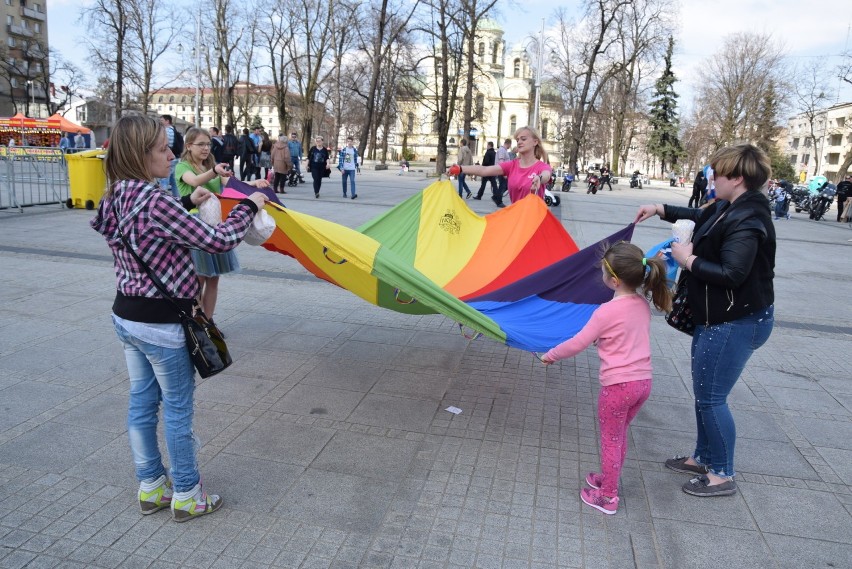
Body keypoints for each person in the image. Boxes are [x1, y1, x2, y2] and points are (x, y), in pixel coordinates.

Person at [90, 114, 267, 522]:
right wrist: (249, 205)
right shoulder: (151, 200)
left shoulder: (117, 193)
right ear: (139, 154)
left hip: (127, 317)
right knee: (177, 410)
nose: (170, 155)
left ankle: (151, 486)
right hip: (164, 326)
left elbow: (147, 225)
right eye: (160, 149)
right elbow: (221, 239)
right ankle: (187, 493)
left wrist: (188, 201)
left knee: (141, 403)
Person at [633, 142, 775, 498]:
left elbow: (733, 273)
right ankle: (703, 457)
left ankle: (722, 474)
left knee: (712, 398)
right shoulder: (730, 206)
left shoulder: (749, 219)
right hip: (719, 317)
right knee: (704, 395)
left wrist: (687, 260)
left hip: (735, 321)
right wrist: (659, 208)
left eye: (718, 173)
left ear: (737, 179)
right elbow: (700, 216)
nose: (711, 178)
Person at [541, 242, 672, 514]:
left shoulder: (604, 312)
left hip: (618, 387)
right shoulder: (640, 305)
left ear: (613, 281)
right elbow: (625, 337)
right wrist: (603, 340)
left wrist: (550, 355)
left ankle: (608, 496)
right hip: (643, 383)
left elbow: (577, 343)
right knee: (619, 434)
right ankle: (609, 478)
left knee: (611, 440)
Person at [176, 127, 270, 319]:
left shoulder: (210, 166)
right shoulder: (182, 166)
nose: (205, 148)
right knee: (198, 278)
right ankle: (195, 321)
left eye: (208, 144)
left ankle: (208, 321)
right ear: (188, 146)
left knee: (213, 278)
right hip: (195, 225)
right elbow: (194, 181)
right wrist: (213, 171)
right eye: (200, 144)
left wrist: (255, 183)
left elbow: (232, 184)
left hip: (214, 223)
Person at [449, 126, 552, 205]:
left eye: (523, 139)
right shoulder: (512, 165)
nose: (519, 142)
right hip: (516, 221)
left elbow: (546, 175)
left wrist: (539, 177)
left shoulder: (542, 167)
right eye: (517, 140)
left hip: (535, 223)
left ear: (535, 142)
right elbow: (484, 170)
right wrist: (460, 168)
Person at [158, 116, 180, 196]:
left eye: (162, 120)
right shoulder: (173, 130)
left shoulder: (166, 131)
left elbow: (166, 146)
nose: (160, 121)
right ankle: (177, 198)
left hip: (168, 159)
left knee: (164, 180)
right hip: (176, 157)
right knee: (174, 181)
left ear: (167, 121)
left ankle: (163, 196)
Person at [493, 139, 511, 207]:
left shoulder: (503, 150)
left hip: (502, 171)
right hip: (501, 171)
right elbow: (501, 162)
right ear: (508, 144)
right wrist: (504, 173)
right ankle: (499, 201)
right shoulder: (502, 150)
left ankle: (496, 197)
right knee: (503, 186)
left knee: (504, 186)